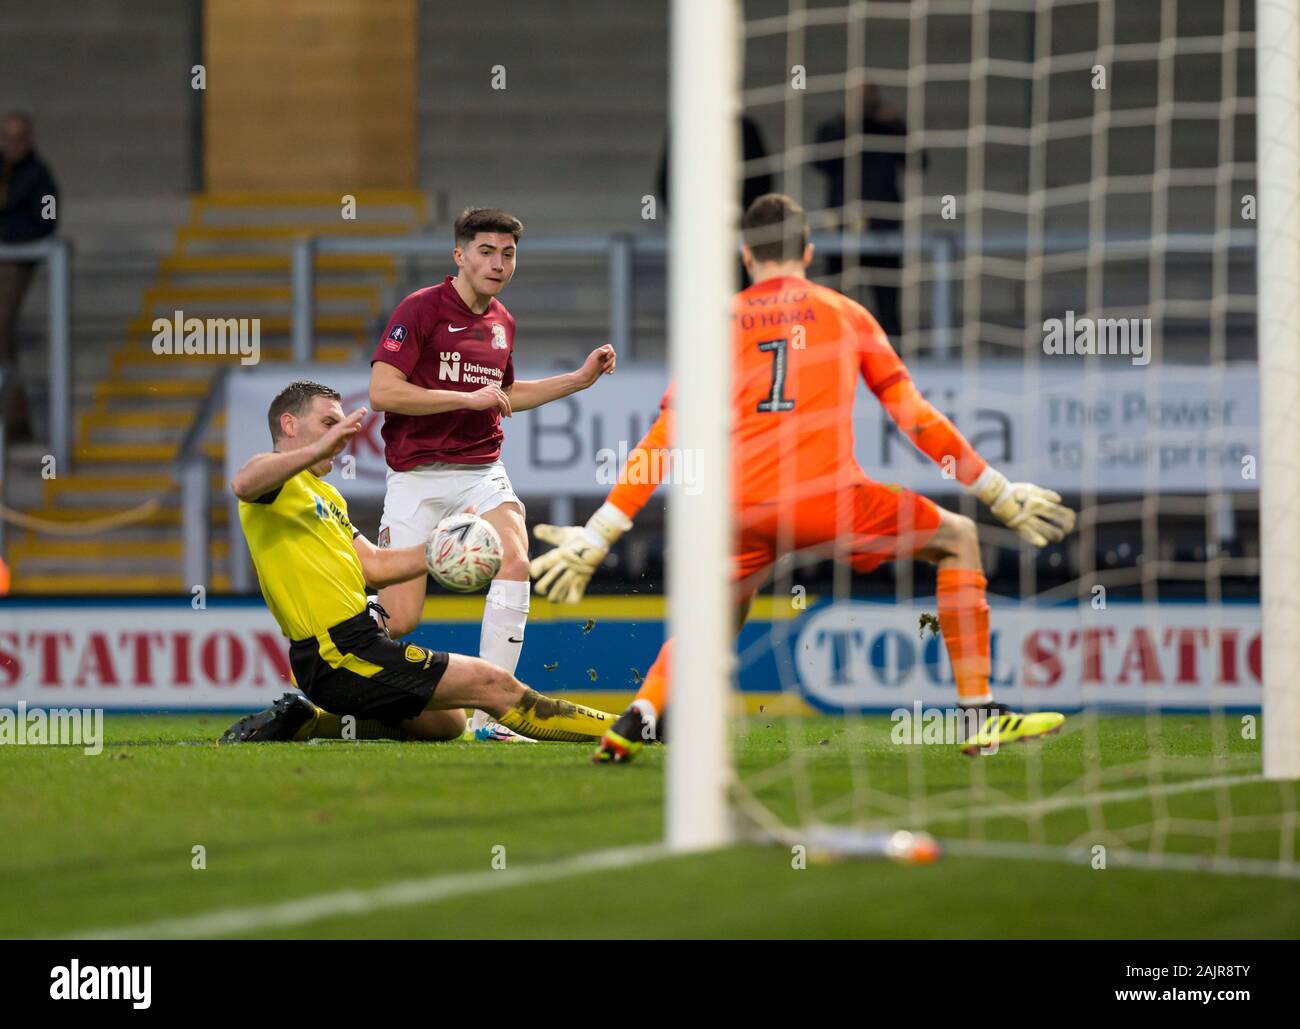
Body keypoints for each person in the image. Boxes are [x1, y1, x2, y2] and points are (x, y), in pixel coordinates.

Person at [528, 194, 1076, 762]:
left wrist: (600, 532)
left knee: (715, 615)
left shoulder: (716, 322)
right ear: (808, 252)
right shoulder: (845, 313)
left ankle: (644, 712)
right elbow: (913, 416)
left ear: (746, 255)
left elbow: (667, 435)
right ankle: (978, 714)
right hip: (828, 499)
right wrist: (996, 489)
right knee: (959, 537)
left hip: (739, 509)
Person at [220, 379, 618, 745]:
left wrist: (441, 548)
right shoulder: (272, 485)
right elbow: (244, 482)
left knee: (448, 724)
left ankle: (310, 720)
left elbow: (374, 566)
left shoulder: (326, 497)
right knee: (492, 683)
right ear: (289, 425)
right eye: (327, 423)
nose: (339, 437)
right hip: (336, 650)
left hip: (355, 644)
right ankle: (633, 727)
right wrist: (316, 450)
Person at [367, 207, 616, 741]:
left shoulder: (503, 322)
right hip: (416, 477)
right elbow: (382, 391)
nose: (499, 262)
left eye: (508, 253)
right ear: (459, 255)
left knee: (516, 558)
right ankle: (333, 671)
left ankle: (490, 719)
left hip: (480, 472)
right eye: (486, 251)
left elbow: (505, 395)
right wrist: (464, 396)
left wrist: (578, 379)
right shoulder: (421, 309)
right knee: (401, 618)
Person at [813, 82, 910, 336]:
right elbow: (819, 163)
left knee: (887, 306)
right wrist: (847, 121)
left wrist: (897, 124)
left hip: (883, 226)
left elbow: (918, 161)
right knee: (837, 304)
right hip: (842, 227)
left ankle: (892, 357)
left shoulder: (887, 128)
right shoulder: (834, 129)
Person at [0, 111, 58, 441]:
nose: (11, 146)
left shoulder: (38, 177)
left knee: (2, 326)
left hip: (15, 259)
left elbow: (45, 222)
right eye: (6, 139)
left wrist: (7, 234)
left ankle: (15, 418)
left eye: (17, 139)